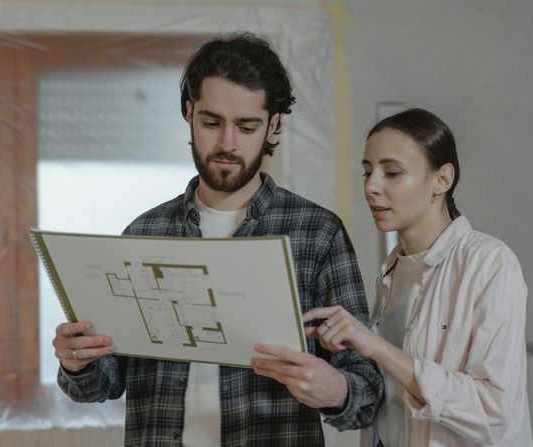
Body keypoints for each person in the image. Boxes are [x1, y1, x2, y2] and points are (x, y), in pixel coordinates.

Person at [52, 32, 383, 446]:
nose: (227, 144)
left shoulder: (318, 233)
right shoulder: (144, 233)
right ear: (189, 113)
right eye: (211, 123)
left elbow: (368, 393)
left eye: (247, 127)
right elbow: (101, 386)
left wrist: (335, 388)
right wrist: (77, 362)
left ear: (273, 125)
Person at [304, 108, 533, 446]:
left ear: (442, 179)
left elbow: (493, 410)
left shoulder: (489, 262)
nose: (371, 187)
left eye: (392, 173)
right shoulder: (393, 268)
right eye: (367, 172)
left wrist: (379, 349)